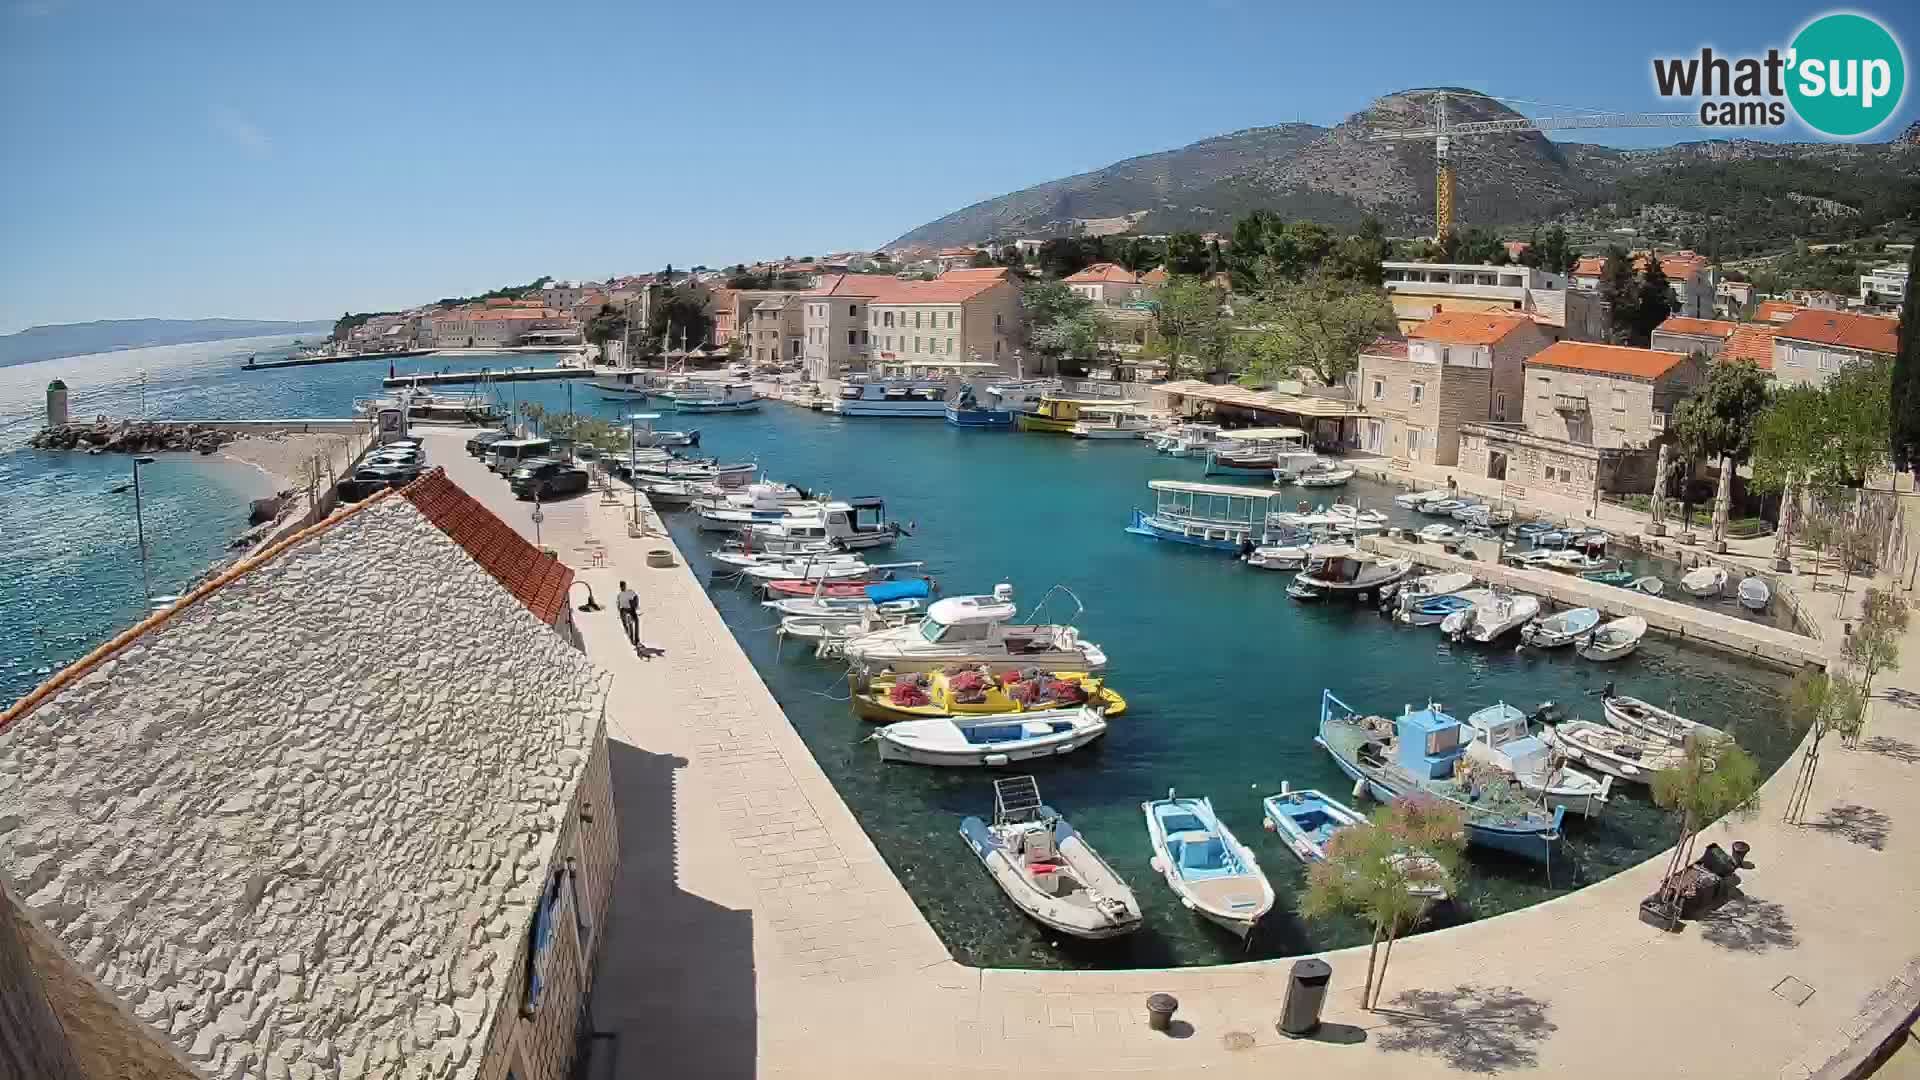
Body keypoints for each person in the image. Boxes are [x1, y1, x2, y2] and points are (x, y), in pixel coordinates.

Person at [615, 580, 640, 648]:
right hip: (624, 610)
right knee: (628, 623)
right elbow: (618, 604)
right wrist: (619, 612)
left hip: (630, 609)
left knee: (636, 621)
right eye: (621, 586)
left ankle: (636, 639)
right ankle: (632, 638)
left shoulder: (630, 592)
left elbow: (636, 597)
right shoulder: (620, 595)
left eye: (623, 586)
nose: (622, 587)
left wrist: (636, 605)